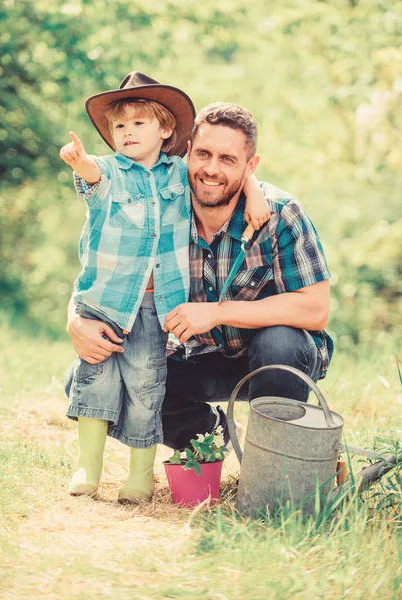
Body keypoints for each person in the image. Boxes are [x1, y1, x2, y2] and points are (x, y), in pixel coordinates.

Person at [67, 100, 334, 456]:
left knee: (281, 343)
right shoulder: (161, 204)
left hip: (266, 359)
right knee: (83, 378)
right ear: (187, 152)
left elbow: (315, 309)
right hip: (194, 358)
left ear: (250, 166)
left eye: (228, 160)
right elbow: (107, 272)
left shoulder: (279, 213)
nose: (211, 169)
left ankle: (271, 465)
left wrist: (218, 311)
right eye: (204, 154)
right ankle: (205, 436)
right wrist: (75, 319)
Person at [61, 74, 270, 502]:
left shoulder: (179, 173)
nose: (128, 133)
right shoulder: (111, 172)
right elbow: (91, 177)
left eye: (139, 124)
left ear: (166, 131)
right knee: (95, 377)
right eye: (120, 126)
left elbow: (223, 169)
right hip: (107, 302)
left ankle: (140, 475)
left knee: (146, 383)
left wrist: (253, 191)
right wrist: (80, 162)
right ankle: (89, 466)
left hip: (157, 305)